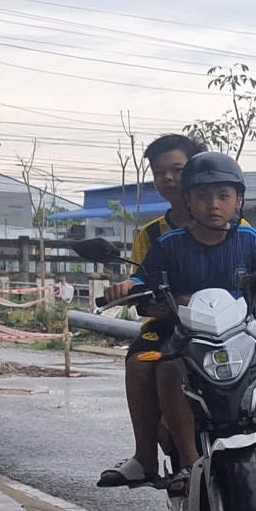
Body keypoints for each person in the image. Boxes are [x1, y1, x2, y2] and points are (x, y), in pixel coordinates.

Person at [134, 152, 256, 485]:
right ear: (188, 201)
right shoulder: (167, 245)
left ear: (238, 200)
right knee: (164, 366)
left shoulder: (251, 241)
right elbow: (141, 286)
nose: (214, 204)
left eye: (223, 196)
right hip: (185, 335)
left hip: (242, 331)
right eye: (203, 196)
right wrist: (128, 287)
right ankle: (185, 461)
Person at [98, 134, 205, 487]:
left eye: (177, 169)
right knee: (140, 361)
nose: (168, 178)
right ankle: (145, 457)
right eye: (160, 172)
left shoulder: (235, 226)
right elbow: (140, 280)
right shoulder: (152, 233)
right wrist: (127, 287)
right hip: (169, 325)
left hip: (228, 323)